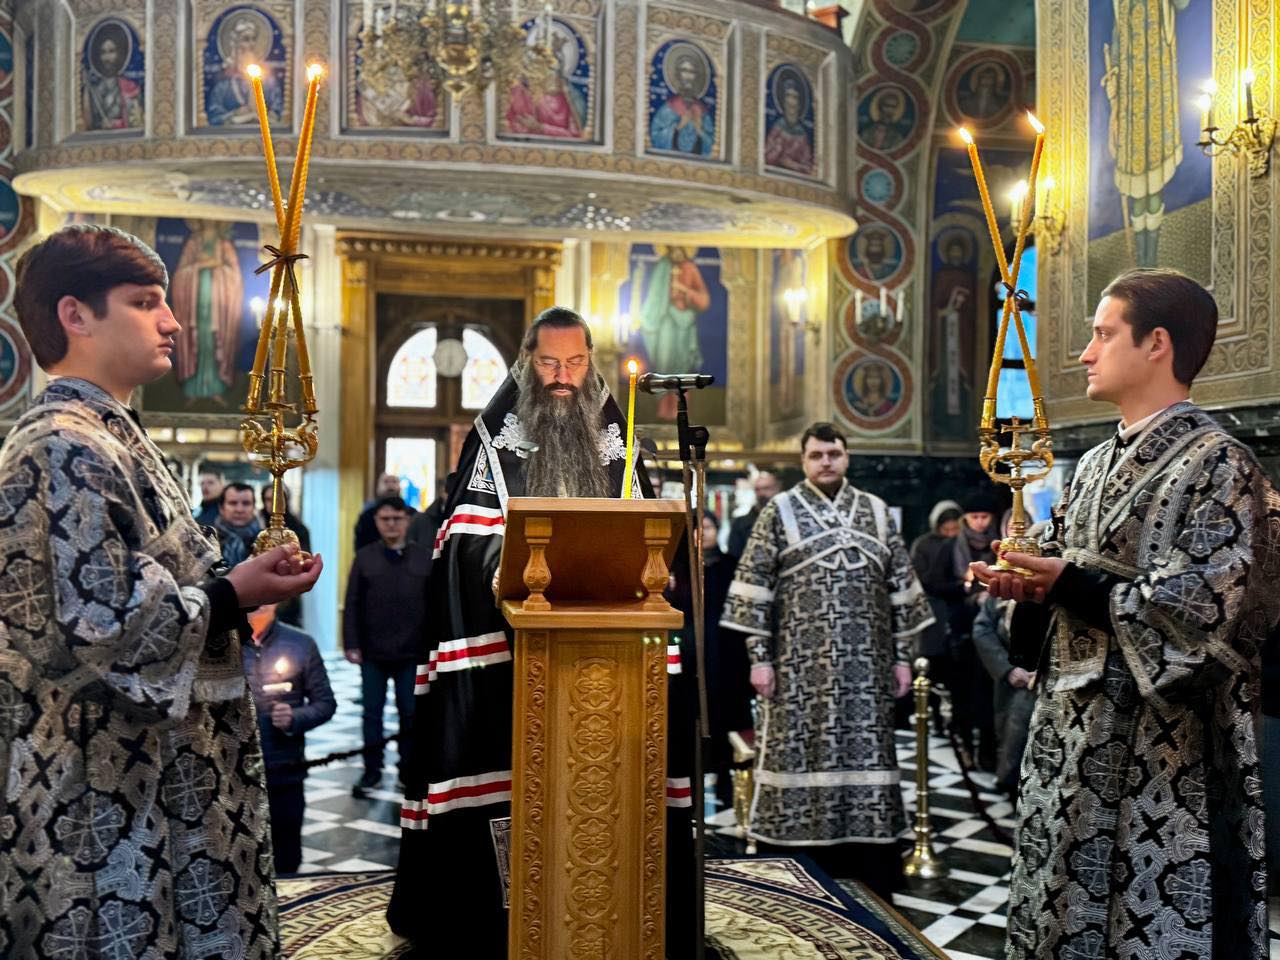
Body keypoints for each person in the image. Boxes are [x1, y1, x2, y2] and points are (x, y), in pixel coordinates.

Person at [0, 223, 322, 958]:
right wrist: (230, 595)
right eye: (146, 302)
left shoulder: (107, 434)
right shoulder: (62, 446)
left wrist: (236, 587)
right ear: (75, 315)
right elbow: (104, 622)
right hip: (104, 796)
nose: (173, 322)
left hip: (154, 777)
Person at [972, 268, 1280, 957]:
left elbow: (1208, 614)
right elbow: (1059, 577)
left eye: (1103, 334)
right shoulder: (1088, 466)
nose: (1085, 353)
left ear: (1156, 344)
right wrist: (1024, 587)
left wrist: (1072, 586)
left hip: (1158, 757)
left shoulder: (1221, 465)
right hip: (1066, 740)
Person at [387, 307, 692, 957]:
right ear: (527, 362)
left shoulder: (617, 438)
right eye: (550, 363)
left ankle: (624, 909)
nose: (562, 377)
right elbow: (461, 541)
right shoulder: (495, 440)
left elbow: (648, 534)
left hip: (610, 651)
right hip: (515, 647)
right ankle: (503, 915)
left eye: (575, 363)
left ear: (590, 363)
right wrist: (509, 567)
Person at [720, 421, 934, 897]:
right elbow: (754, 591)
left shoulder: (876, 511)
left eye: (833, 454)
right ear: (803, 461)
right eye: (816, 455)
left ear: (847, 457)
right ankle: (797, 865)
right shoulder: (779, 511)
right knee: (799, 753)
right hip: (798, 669)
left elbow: (901, 589)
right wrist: (760, 659)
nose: (826, 462)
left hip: (867, 669)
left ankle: (870, 870)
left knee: (867, 754)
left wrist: (902, 658)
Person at [343, 495, 430, 797]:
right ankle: (372, 771)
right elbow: (352, 603)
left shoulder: (425, 557)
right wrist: (351, 643)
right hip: (373, 652)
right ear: (377, 522)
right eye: (385, 519)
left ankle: (409, 771)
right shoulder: (364, 557)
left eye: (397, 518)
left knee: (410, 713)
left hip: (412, 652)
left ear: (407, 520)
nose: (391, 524)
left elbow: (435, 605)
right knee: (372, 714)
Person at [243, 602, 335, 874]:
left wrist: (295, 717)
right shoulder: (221, 645)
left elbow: (325, 703)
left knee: (286, 856)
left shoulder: (300, 644)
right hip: (238, 774)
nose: (259, 601)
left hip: (286, 770)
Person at [667, 511, 748, 810]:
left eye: (709, 526)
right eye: (697, 527)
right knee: (691, 724)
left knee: (727, 724)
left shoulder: (731, 566)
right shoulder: (679, 569)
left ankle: (730, 792)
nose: (704, 532)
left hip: (727, 658)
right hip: (691, 659)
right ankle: (694, 793)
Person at [170, 219, 244, 401]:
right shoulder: (193, 243)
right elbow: (180, 274)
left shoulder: (224, 244)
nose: (209, 223)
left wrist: (216, 266)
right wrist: (202, 265)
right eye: (206, 220)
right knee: (197, 339)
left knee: (213, 341)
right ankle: (194, 387)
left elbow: (235, 275)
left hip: (219, 305)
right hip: (194, 304)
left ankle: (216, 386)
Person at [970, 593, 1033, 799]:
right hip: (1016, 682)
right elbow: (982, 629)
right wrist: (1007, 669)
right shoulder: (1004, 590)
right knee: (1012, 737)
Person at [259, 485, 310, 626]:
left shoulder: (298, 529)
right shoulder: (257, 525)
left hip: (288, 594)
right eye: (268, 499)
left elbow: (305, 561)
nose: (273, 503)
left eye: (277, 498)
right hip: (259, 593)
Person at [649, 50, 715, 155]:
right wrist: (678, 126)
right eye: (684, 71)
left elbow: (712, 144)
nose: (688, 77)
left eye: (692, 72)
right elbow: (655, 135)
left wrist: (700, 131)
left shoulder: (702, 112)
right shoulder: (668, 108)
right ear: (678, 74)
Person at [726, 470, 781, 559]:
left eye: (766, 488)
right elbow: (734, 556)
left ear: (777, 488)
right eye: (758, 489)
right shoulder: (740, 524)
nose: (762, 493)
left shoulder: (789, 519)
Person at [214, 480, 263, 569]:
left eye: (246, 503)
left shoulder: (265, 541)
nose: (239, 510)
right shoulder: (208, 540)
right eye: (233, 503)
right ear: (221, 508)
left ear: (254, 507)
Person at [353, 471, 408, 550]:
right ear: (378, 487)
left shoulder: (411, 513)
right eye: (386, 481)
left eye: (394, 481)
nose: (390, 485)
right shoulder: (366, 516)